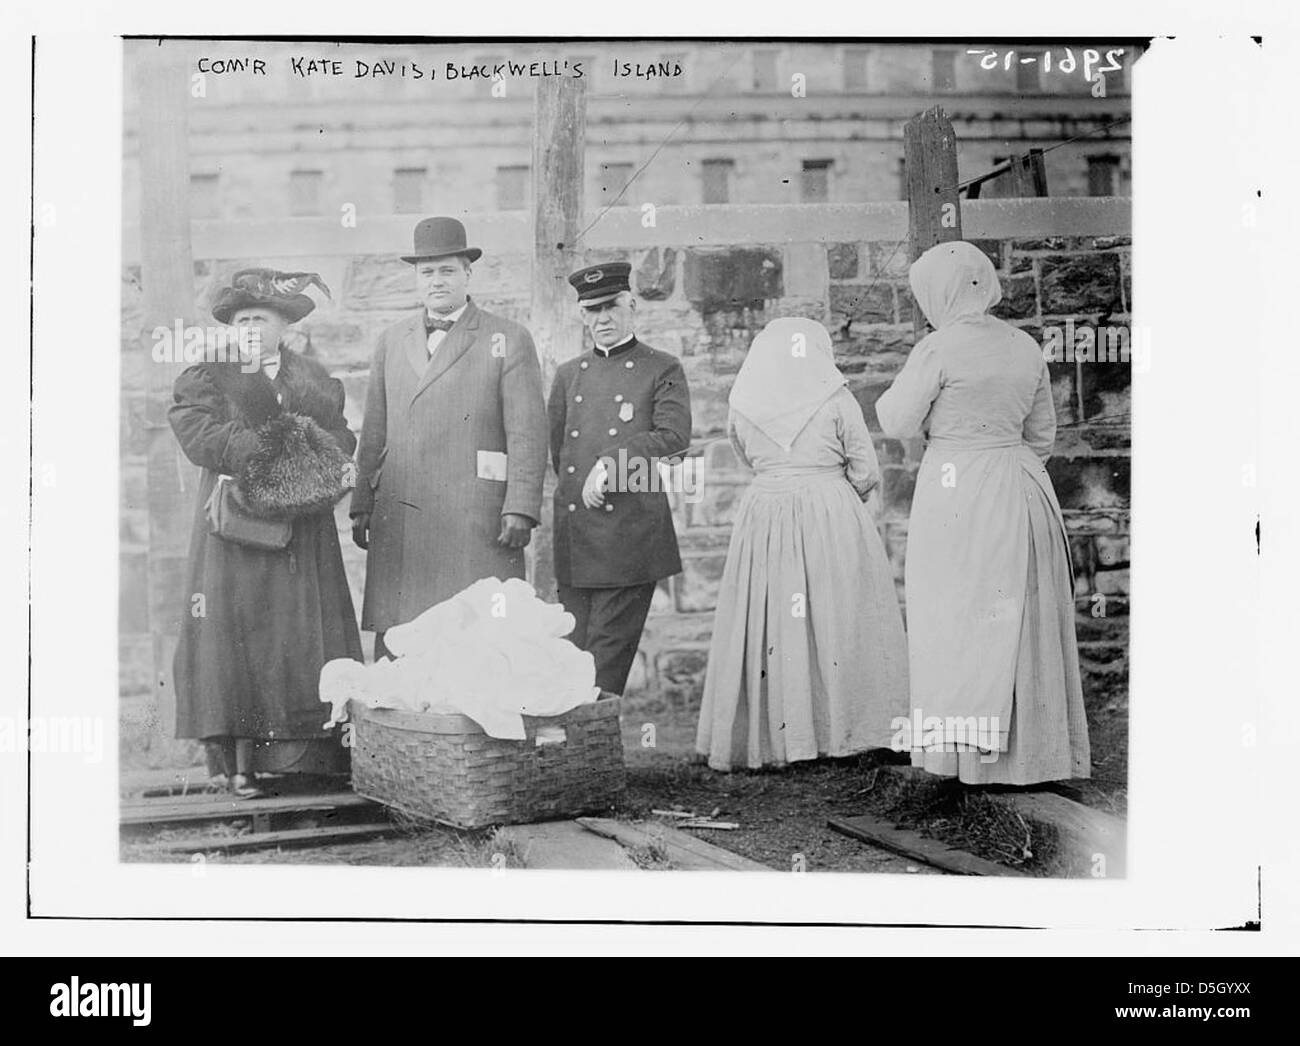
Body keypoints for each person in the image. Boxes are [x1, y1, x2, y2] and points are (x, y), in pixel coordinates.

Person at [876, 240, 1091, 785]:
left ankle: (964, 757)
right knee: (1021, 616)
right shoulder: (1023, 345)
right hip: (1022, 485)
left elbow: (897, 419)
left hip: (959, 491)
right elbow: (1041, 433)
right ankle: (1033, 754)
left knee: (959, 615)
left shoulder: (938, 349)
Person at [170, 268, 362, 798]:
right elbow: (195, 430)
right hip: (235, 523)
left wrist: (317, 454)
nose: (253, 327)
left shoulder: (316, 382)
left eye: (263, 318)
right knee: (236, 638)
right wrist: (265, 450)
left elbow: (341, 438)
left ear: (284, 326)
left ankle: (313, 758)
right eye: (243, 319)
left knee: (304, 632)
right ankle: (240, 763)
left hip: (302, 530)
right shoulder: (210, 377)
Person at [694, 317, 909, 771]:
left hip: (766, 511)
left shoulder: (744, 403)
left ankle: (780, 738)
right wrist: (838, 487)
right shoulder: (835, 398)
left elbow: (745, 455)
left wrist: (780, 474)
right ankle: (846, 730)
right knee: (839, 614)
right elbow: (865, 469)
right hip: (828, 509)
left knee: (776, 621)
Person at [350, 217, 548, 659]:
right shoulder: (391, 340)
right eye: (427, 272)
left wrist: (521, 507)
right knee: (403, 642)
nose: (437, 281)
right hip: (402, 515)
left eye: (447, 271)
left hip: (474, 517)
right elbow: (374, 430)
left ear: (467, 274)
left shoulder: (506, 338)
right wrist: (362, 502)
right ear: (416, 279)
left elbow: (528, 434)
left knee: (477, 637)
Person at [548, 262, 691, 695]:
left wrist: (612, 463)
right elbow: (560, 455)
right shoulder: (569, 375)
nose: (603, 319)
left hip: (629, 538)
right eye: (592, 310)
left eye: (611, 306)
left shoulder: (662, 368)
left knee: (604, 665)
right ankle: (575, 752)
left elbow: (674, 440)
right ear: (582, 315)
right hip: (578, 538)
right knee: (572, 656)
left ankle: (590, 753)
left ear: (631, 305)